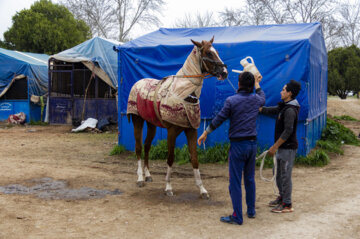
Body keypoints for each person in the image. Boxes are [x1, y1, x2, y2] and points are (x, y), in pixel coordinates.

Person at [197, 72, 265, 225]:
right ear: (250, 84)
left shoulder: (231, 101)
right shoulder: (256, 100)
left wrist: (205, 133)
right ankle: (251, 211)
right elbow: (262, 97)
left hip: (238, 146)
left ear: (239, 84)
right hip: (252, 145)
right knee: (249, 179)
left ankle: (237, 216)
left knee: (234, 181)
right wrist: (258, 83)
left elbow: (219, 119)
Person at [260, 79, 301, 213]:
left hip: (287, 148)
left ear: (289, 93)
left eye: (283, 90)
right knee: (277, 173)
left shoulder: (290, 110)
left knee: (285, 175)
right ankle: (282, 197)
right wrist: (260, 109)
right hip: (282, 148)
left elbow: (288, 131)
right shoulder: (284, 106)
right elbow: (273, 110)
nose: (281, 91)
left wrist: (275, 146)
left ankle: (287, 204)